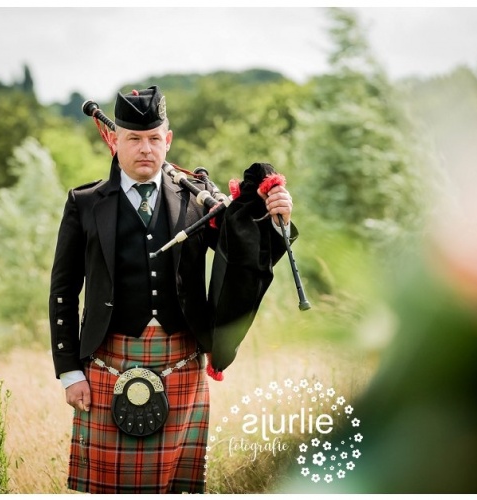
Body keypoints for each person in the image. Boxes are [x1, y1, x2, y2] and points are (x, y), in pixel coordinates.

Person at [49, 85, 295, 493]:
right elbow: (63, 290)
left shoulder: (198, 199)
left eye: (153, 139)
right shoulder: (86, 203)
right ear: (113, 140)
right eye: (133, 139)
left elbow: (242, 254)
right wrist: (69, 370)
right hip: (107, 363)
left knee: (176, 489)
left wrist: (274, 219)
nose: (145, 149)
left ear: (168, 140)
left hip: (182, 360)